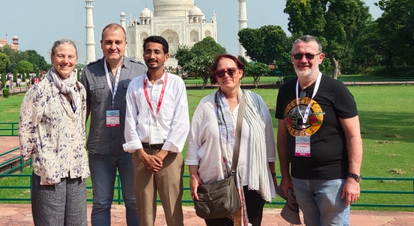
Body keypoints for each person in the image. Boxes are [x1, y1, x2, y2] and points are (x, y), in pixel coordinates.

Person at [276, 35, 363, 226]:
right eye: (298, 55)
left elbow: (353, 136)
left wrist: (353, 178)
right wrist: (285, 175)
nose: (303, 60)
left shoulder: (336, 90)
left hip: (333, 179)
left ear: (320, 58)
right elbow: (282, 136)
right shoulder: (286, 90)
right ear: (292, 57)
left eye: (309, 55)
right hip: (299, 177)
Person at [186, 54, 277, 226]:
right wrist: (193, 175)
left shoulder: (256, 102)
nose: (226, 75)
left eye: (231, 71)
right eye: (220, 73)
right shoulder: (206, 105)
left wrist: (271, 173)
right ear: (215, 77)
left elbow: (268, 140)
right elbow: (193, 142)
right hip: (216, 182)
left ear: (240, 73)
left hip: (251, 180)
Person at [19, 39, 90, 226]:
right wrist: (33, 156)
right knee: (50, 221)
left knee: (77, 221)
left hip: (75, 166)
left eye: (70, 56)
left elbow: (81, 123)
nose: (65, 61)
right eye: (61, 56)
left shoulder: (79, 89)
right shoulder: (39, 90)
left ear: (76, 59)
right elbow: (26, 127)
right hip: (49, 166)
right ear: (52, 57)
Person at [81, 23, 146, 226]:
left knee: (134, 201)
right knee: (101, 202)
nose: (113, 46)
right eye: (109, 42)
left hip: (131, 148)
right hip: (100, 149)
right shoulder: (89, 72)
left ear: (126, 44)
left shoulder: (139, 70)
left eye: (118, 42)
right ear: (101, 44)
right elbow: (84, 111)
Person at [123, 35, 190, 226]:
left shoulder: (176, 83)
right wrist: (143, 155)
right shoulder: (135, 85)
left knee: (173, 210)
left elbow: (181, 122)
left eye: (157, 52)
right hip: (142, 153)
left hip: (168, 155)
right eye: (148, 51)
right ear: (143, 54)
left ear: (166, 56)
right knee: (144, 212)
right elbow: (130, 121)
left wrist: (161, 155)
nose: (152, 56)